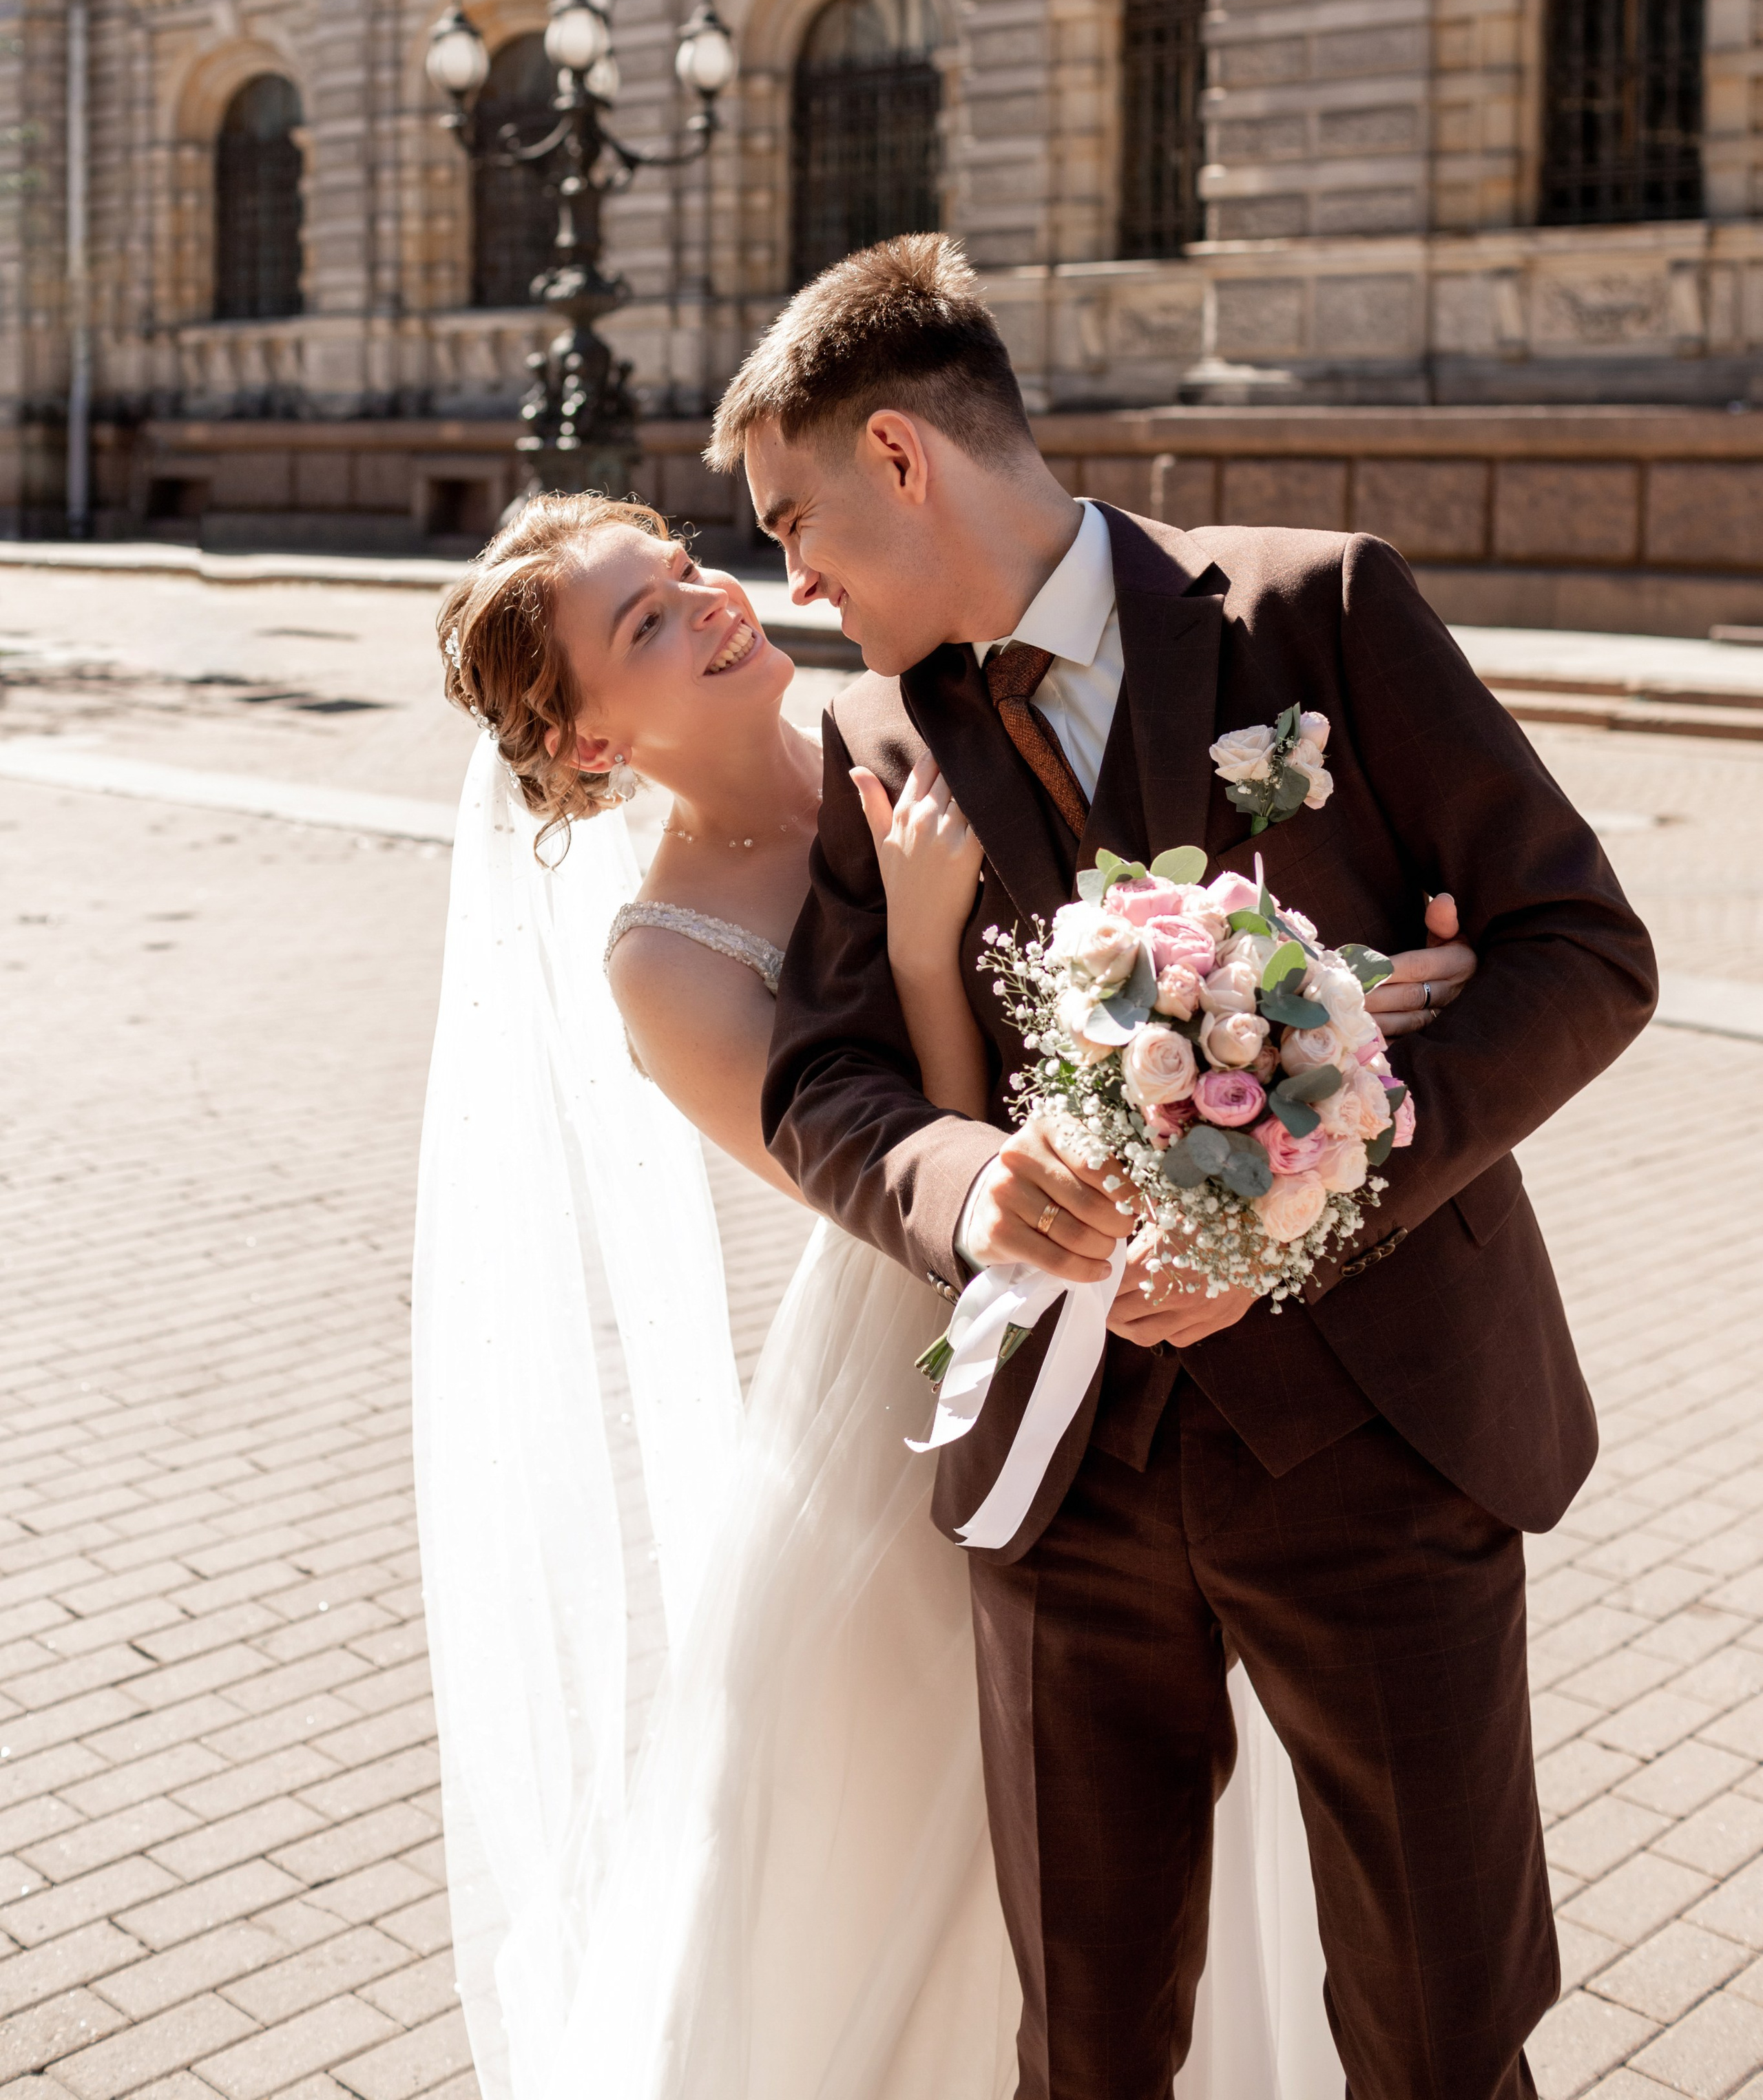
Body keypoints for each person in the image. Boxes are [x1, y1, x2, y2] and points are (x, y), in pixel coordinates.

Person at [703, 233, 1660, 2100]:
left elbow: (1581, 951)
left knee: (1439, 2031)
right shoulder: (876, 740)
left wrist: (1311, 1203)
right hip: (1066, 1481)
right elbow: (824, 1079)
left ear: (899, 456)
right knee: (1083, 2045)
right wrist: (968, 1185)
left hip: (1378, 1440)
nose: (789, 578)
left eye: (792, 521)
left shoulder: (1317, 614)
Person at [418, 484, 1477, 2100]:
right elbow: (881, 1194)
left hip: (1160, 1339)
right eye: (646, 622)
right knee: (963, 1840)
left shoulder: (915, 722)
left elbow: (1158, 938)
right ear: (586, 742)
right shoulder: (668, 958)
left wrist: (1342, 1005)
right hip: (938, 1379)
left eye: (688, 567)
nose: (712, 601)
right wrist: (919, 953)